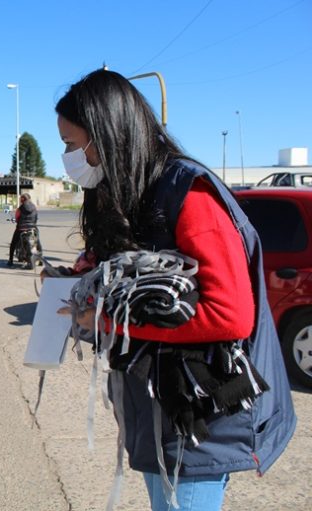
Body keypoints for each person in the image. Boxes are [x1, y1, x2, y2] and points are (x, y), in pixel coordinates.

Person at [53, 69, 295, 510]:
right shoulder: (133, 193)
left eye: (72, 145)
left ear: (107, 136)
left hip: (199, 423)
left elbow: (229, 316)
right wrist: (88, 278)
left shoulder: (188, 193)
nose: (67, 157)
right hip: (161, 412)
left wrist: (107, 321)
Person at [7, 193, 41, 269]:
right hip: (32, 228)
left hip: (21, 228)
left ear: (22, 200)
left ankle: (10, 260)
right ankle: (40, 259)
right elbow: (36, 217)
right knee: (37, 241)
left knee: (13, 244)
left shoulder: (20, 208)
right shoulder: (34, 207)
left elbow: (17, 218)